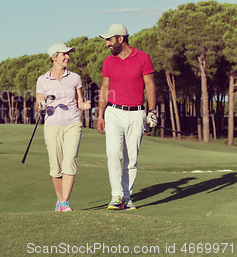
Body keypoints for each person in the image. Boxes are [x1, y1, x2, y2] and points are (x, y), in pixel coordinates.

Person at [95, 23, 157, 210]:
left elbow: (150, 86)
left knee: (131, 158)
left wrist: (152, 111)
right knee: (113, 153)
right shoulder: (108, 61)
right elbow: (105, 88)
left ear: (121, 39)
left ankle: (127, 197)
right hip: (113, 111)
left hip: (136, 113)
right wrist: (100, 115)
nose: (107, 44)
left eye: (110, 40)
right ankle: (116, 196)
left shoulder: (143, 58)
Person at [35, 42, 91, 212]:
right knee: (55, 165)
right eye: (64, 54)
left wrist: (84, 105)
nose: (68, 57)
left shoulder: (74, 78)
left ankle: (65, 202)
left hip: (72, 123)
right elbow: (38, 105)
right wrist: (44, 104)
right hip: (52, 125)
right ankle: (59, 201)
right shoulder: (42, 80)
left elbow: (79, 101)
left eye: (68, 54)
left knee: (70, 161)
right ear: (54, 57)